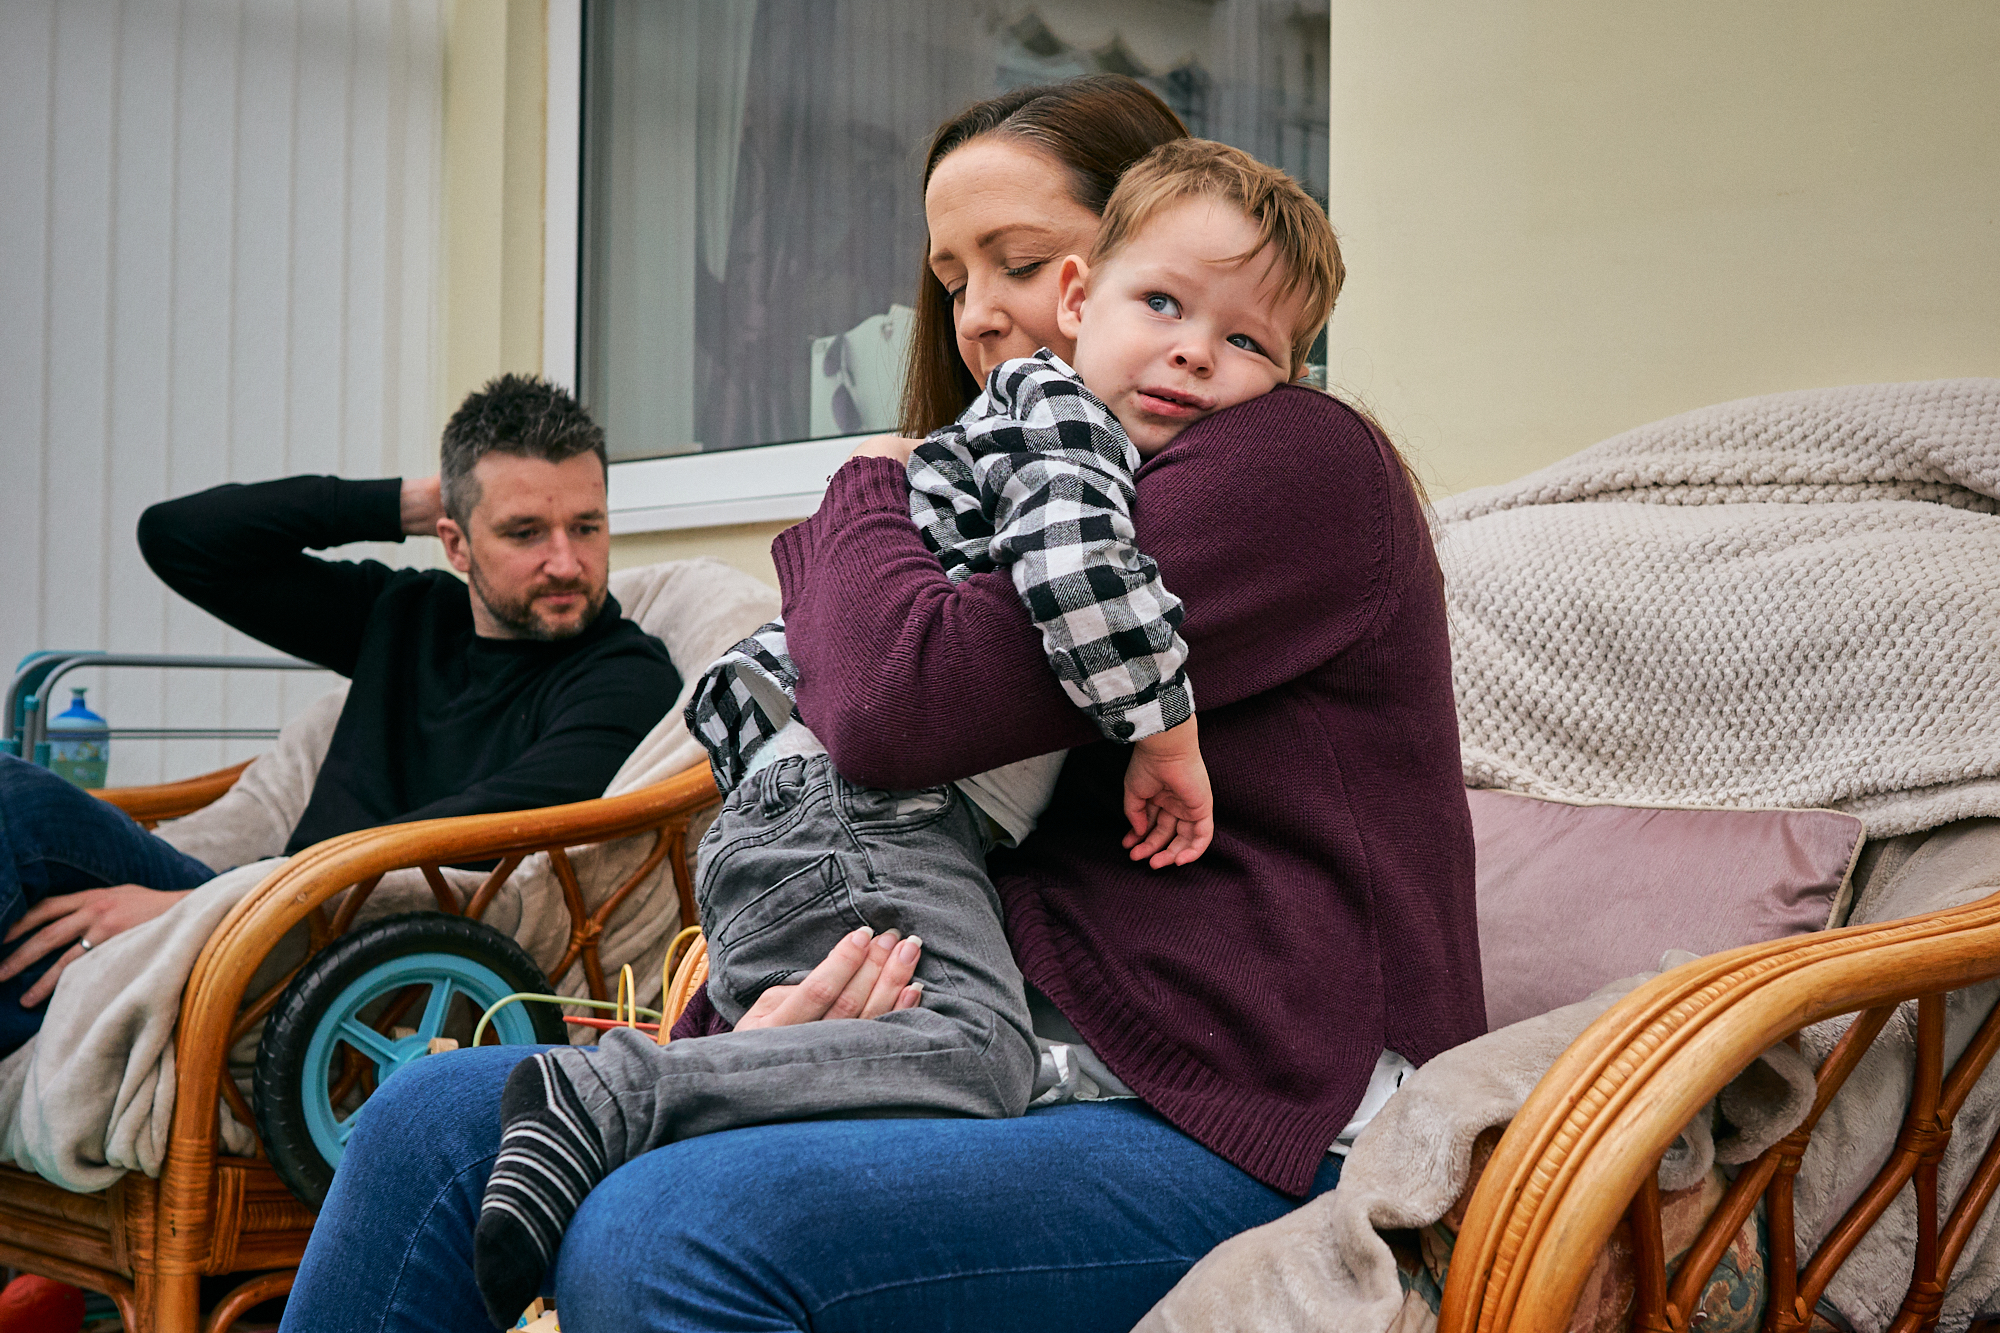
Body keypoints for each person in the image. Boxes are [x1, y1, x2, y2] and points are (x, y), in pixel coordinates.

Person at [284, 74, 1484, 1333]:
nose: (975, 317)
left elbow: (893, 701)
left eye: (1015, 260)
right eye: (951, 276)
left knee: (660, 1235)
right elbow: (852, 805)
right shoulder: (1026, 483)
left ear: (1124, 251)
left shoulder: (1285, 458)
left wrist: (863, 484)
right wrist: (757, 1026)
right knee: (424, 1120)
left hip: (1232, 1114)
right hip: (1010, 1069)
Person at [467, 138, 1338, 1328]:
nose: (1194, 349)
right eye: (1164, 306)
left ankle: (626, 1101)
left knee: (811, 1108)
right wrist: (1164, 734)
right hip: (867, 808)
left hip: (801, 801)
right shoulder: (1064, 424)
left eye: (1247, 342)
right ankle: (616, 1093)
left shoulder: (1259, 462)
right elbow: (1018, 613)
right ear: (1090, 302)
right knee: (973, 1053)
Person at [0, 375, 681, 1054]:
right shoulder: (406, 615)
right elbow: (180, 539)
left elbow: (478, 827)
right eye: (524, 530)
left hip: (334, 958)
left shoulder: (626, 678)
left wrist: (204, 910)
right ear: (455, 543)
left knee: (16, 802)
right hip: (263, 909)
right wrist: (401, 503)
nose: (566, 561)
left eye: (586, 526)